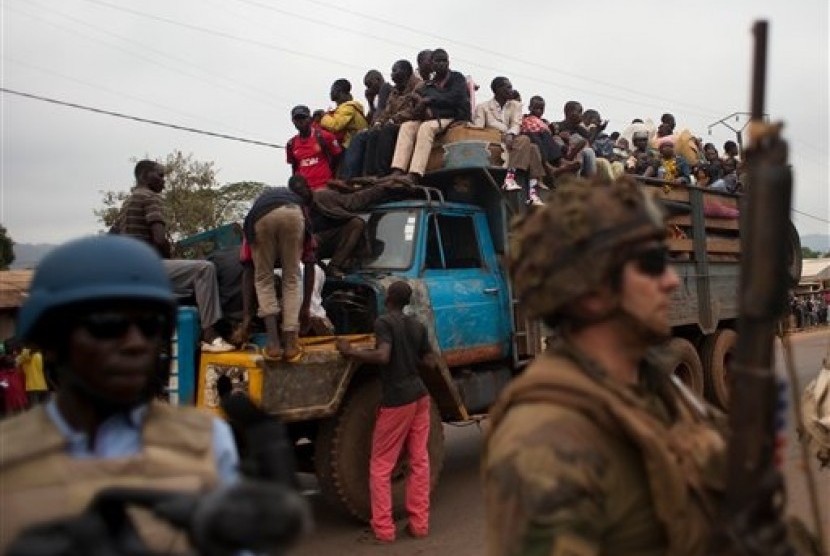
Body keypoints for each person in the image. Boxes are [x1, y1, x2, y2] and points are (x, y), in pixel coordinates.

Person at [483, 177, 727, 555]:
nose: (672, 281)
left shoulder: (655, 386)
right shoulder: (544, 446)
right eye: (651, 264)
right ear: (593, 292)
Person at [0, 235, 240, 553]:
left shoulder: (209, 442)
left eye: (151, 326)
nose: (136, 343)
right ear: (52, 341)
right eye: (107, 325)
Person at [336, 281, 436, 543]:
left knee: (380, 465)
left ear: (388, 297)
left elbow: (383, 356)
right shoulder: (417, 326)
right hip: (420, 397)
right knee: (419, 461)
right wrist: (411, 356)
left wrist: (351, 352)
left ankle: (383, 530)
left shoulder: (383, 323)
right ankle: (419, 525)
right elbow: (430, 360)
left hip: (398, 400)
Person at [111, 160, 234, 353]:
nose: (163, 181)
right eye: (160, 176)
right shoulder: (150, 197)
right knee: (204, 269)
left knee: (185, 288)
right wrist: (167, 258)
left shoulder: (128, 202)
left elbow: (113, 235)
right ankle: (210, 334)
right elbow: (160, 239)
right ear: (144, 176)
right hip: (147, 267)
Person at [243, 176, 316, 362]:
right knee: (291, 278)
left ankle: (274, 344)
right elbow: (309, 262)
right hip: (293, 215)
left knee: (264, 279)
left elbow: (247, 265)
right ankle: (291, 345)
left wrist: (247, 316)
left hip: (261, 218)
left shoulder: (257, 207)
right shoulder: (300, 207)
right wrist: (306, 308)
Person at [390, 48, 471, 182]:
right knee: (407, 126)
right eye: (437, 61)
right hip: (433, 116)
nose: (441, 64)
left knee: (426, 128)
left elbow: (455, 98)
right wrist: (422, 101)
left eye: (444, 61)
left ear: (448, 63)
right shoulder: (429, 83)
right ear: (432, 64)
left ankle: (415, 173)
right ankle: (398, 170)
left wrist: (430, 100)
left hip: (452, 116)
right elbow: (421, 100)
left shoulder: (457, 78)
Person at [473, 77, 546, 204]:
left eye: (511, 87)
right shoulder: (482, 107)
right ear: (497, 89)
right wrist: (505, 134)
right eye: (507, 87)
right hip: (493, 138)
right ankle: (509, 178)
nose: (511, 90)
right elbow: (479, 129)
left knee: (533, 147)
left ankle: (532, 193)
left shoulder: (515, 105)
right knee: (525, 140)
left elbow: (516, 124)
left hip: (512, 138)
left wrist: (510, 134)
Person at [363, 59, 424, 177]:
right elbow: (387, 111)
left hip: (410, 122)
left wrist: (394, 119)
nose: (392, 74)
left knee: (388, 130)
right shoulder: (395, 91)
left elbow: (414, 110)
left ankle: (383, 172)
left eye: (395, 70)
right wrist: (379, 122)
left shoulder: (419, 86)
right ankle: (370, 174)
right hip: (394, 122)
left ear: (406, 71)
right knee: (374, 132)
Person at [286, 104, 343, 191]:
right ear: (293, 121)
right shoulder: (291, 144)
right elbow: (294, 167)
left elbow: (339, 158)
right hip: (304, 192)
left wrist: (336, 182)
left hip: (325, 188)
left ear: (310, 119)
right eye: (297, 119)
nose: (300, 121)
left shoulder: (325, 136)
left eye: (303, 118)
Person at [320, 78, 369, 149]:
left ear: (340, 92)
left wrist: (324, 117)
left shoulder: (347, 107)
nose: (330, 93)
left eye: (332, 90)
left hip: (351, 146)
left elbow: (335, 125)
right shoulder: (348, 107)